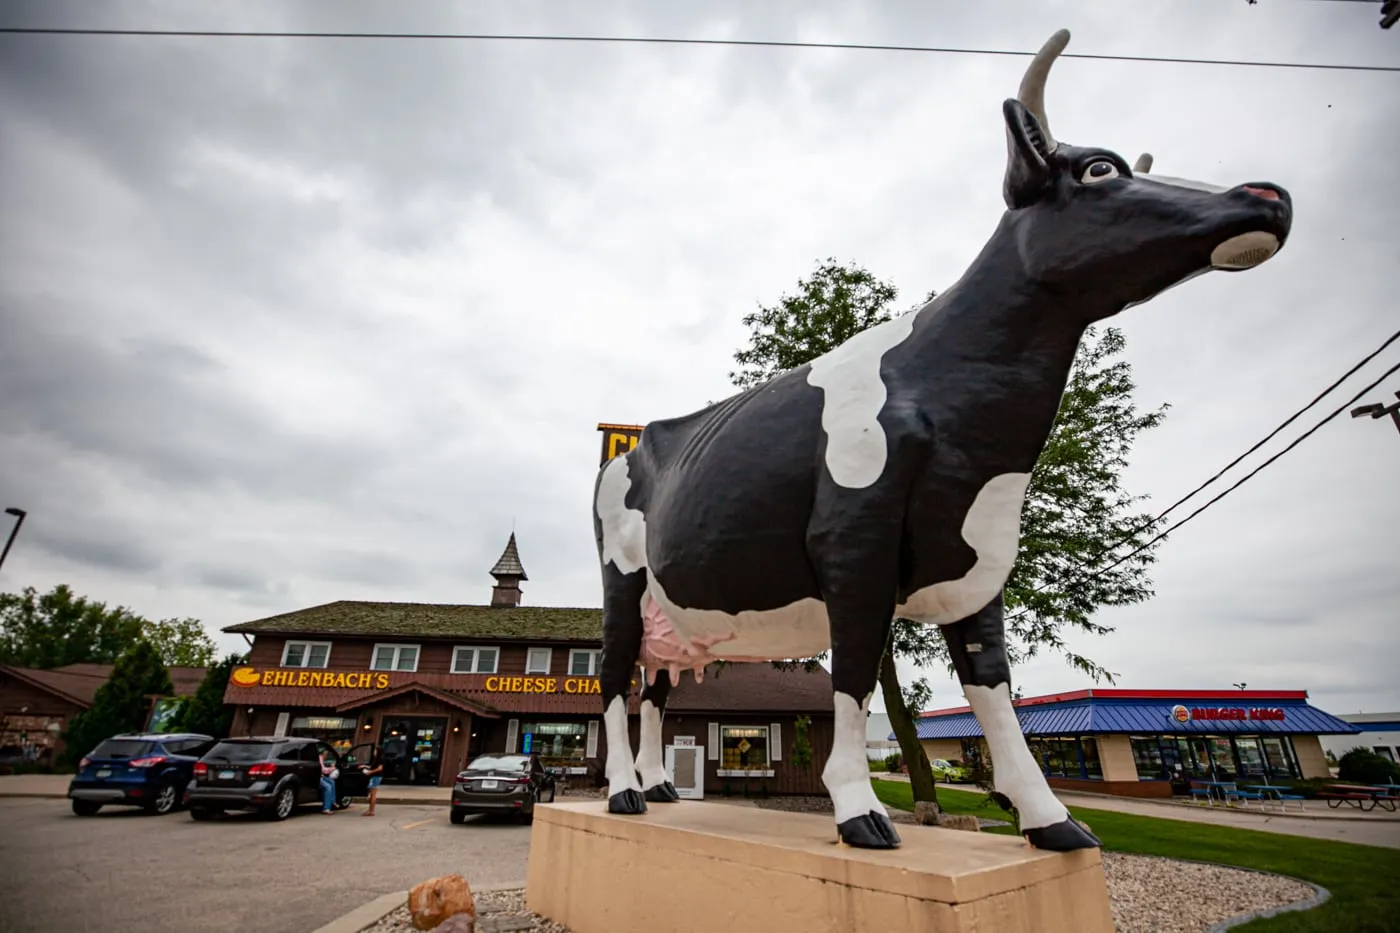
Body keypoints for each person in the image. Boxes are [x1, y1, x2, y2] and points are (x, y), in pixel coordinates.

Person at [361, 745, 384, 816]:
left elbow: (380, 768)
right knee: (372, 794)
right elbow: (372, 766)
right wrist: (364, 766)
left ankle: (371, 811)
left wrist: (370, 772)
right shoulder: (376, 759)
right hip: (374, 777)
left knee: (373, 794)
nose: (374, 752)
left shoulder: (380, 759)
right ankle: (370, 810)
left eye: (375, 750)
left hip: (376, 777)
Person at [318, 749, 339, 814]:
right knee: (328, 787)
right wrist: (333, 768)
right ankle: (326, 808)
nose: (326, 756)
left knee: (332, 782)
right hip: (319, 777)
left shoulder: (321, 759)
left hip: (322, 776)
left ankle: (333, 801)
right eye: (325, 754)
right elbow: (323, 770)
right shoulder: (320, 758)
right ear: (323, 754)